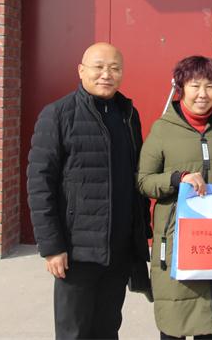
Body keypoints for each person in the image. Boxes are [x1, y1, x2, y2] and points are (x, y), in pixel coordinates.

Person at [27, 42, 151, 340]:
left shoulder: (128, 115)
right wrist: (52, 247)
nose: (106, 74)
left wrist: (139, 237)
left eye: (115, 68)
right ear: (81, 70)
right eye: (99, 67)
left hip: (119, 249)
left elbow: (136, 177)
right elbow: (39, 184)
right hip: (77, 251)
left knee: (108, 328)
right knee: (74, 331)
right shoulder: (58, 114)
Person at [137, 56, 212, 339]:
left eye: (209, 86)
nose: (202, 94)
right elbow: (144, 180)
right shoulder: (163, 129)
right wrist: (177, 179)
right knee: (174, 324)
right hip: (175, 240)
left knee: (210, 323)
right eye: (194, 85)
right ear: (181, 88)